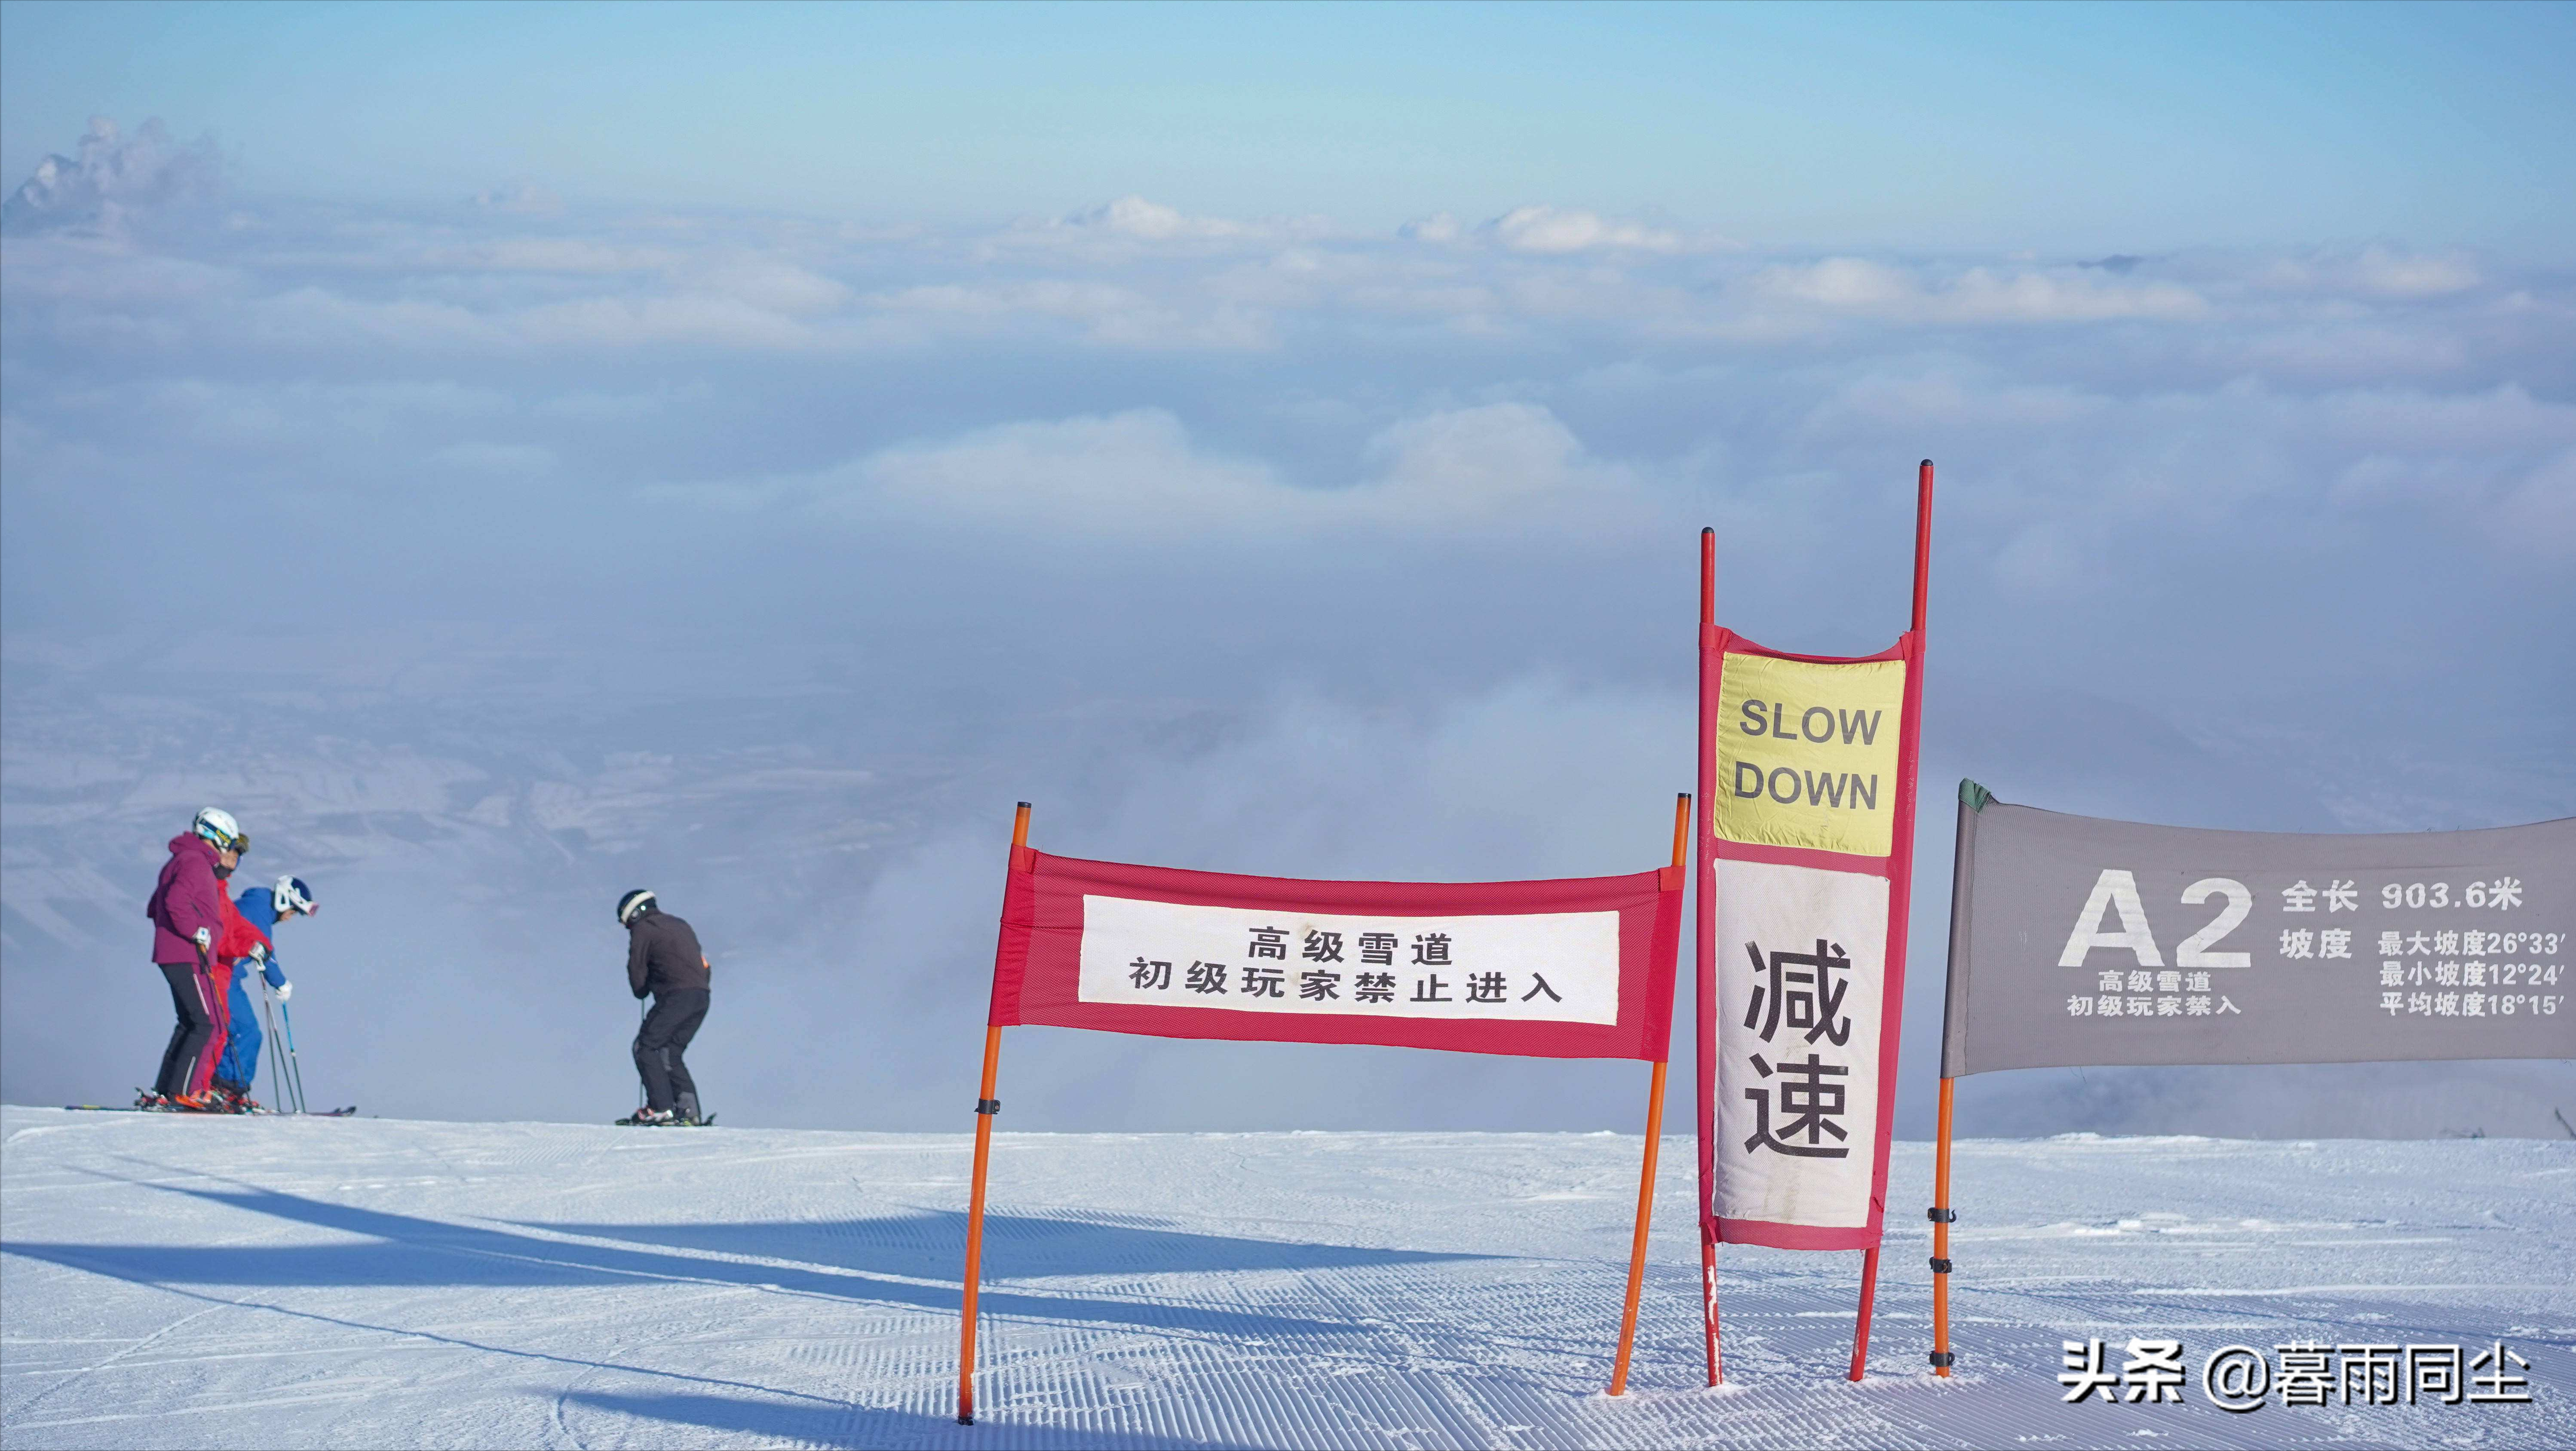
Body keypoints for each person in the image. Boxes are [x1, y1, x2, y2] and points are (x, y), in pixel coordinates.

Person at [144, 808, 245, 1108]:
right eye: (229, 840)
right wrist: (196, 932)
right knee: (207, 1023)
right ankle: (184, 1091)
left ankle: (167, 1090)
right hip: (187, 954)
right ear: (219, 836)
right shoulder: (195, 861)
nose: (229, 846)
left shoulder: (185, 859)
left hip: (179, 952)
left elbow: (155, 906)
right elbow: (174, 901)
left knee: (191, 1022)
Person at [209, 875, 314, 1109]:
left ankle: (222, 1088)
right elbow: (264, 948)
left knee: (233, 1031)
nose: (291, 917)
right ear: (284, 902)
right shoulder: (257, 910)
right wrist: (280, 982)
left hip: (227, 976)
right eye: (294, 910)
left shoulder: (259, 907)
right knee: (246, 1032)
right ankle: (225, 1089)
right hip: (222, 977)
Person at [616, 889, 711, 1126]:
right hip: (701, 997)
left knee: (645, 1047)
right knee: (670, 1053)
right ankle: (690, 1112)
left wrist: (643, 989)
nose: (628, 929)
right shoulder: (681, 924)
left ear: (635, 914)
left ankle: (661, 1109)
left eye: (627, 924)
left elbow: (637, 973)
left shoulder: (644, 929)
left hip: (676, 996)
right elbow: (704, 965)